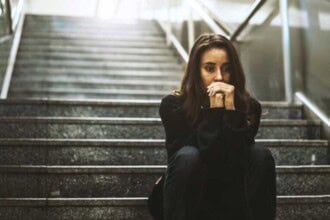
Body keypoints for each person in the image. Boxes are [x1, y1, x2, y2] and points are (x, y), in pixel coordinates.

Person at [148, 33, 276, 220]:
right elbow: (203, 159)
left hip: (229, 201)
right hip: (190, 200)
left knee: (260, 155)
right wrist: (215, 110)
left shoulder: (249, 108)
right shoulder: (173, 106)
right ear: (196, 71)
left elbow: (235, 161)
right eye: (209, 68)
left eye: (226, 69)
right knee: (188, 155)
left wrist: (231, 110)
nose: (219, 78)